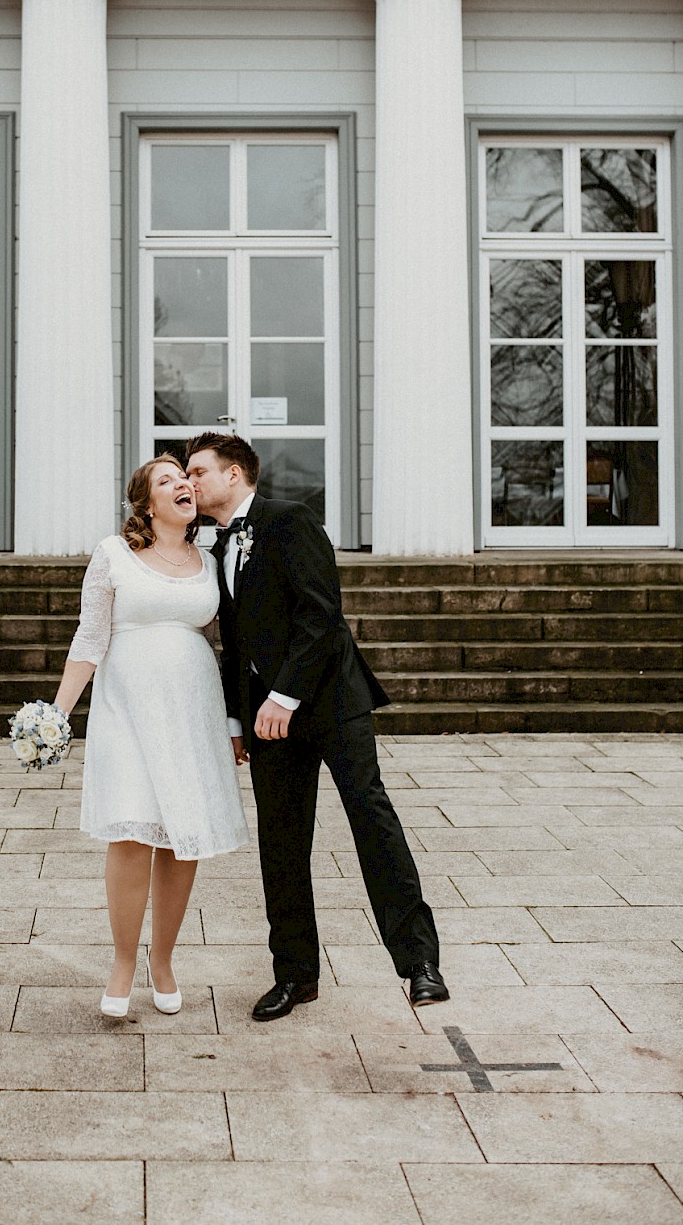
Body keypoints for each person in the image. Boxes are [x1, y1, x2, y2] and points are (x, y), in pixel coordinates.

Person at [185, 432, 448, 1020]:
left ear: (235, 475)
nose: (190, 481)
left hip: (329, 701)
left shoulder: (290, 520)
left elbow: (321, 615)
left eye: (199, 471)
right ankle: (296, 975)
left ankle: (419, 964)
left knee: (371, 819)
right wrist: (237, 716)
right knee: (281, 844)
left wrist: (284, 696)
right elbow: (233, 643)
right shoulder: (213, 544)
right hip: (264, 718)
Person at [54, 455, 249, 1019]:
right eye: (167, 480)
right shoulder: (113, 555)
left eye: (184, 477)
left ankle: (162, 960)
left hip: (192, 711)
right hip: (127, 708)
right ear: (146, 503)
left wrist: (237, 720)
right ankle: (121, 964)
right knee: (133, 832)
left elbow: (231, 645)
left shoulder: (212, 561)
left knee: (180, 834)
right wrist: (57, 715)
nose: (183, 484)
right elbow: (90, 637)